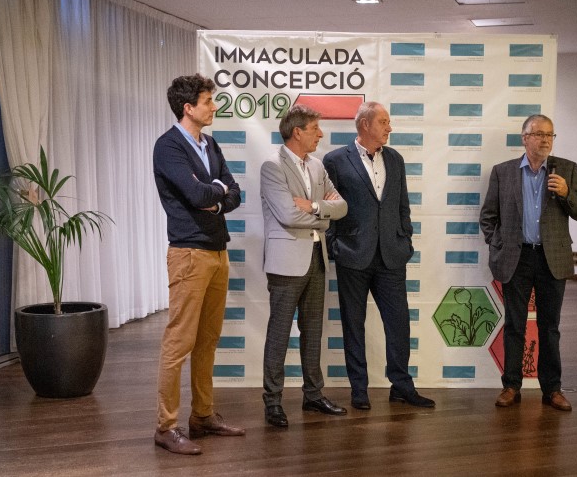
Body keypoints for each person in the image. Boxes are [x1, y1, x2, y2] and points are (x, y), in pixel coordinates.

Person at [152, 74, 245, 455]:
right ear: (188, 108)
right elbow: (195, 194)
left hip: (218, 251)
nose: (214, 106)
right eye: (208, 101)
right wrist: (216, 191)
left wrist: (216, 196)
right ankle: (166, 426)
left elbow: (234, 193)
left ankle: (202, 415)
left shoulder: (211, 143)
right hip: (189, 254)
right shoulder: (168, 146)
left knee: (208, 340)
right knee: (179, 342)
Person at [323, 101, 434, 410]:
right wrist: (335, 246)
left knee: (399, 324)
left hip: (391, 256)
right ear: (365, 125)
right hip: (352, 256)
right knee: (353, 325)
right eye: (383, 122)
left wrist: (405, 239)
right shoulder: (335, 160)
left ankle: (401, 386)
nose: (389, 127)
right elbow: (329, 208)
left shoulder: (395, 159)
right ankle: (359, 389)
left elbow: (402, 204)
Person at [479, 114, 577, 412]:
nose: (545, 140)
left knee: (549, 327)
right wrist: (498, 245)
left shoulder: (566, 170)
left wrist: (566, 193)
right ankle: (511, 386)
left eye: (550, 135)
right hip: (516, 258)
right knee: (515, 324)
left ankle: (552, 389)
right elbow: (488, 216)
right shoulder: (503, 172)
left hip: (552, 258)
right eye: (539, 134)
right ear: (524, 138)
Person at [260, 105, 348, 427]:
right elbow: (287, 215)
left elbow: (342, 206)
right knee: (279, 333)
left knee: (313, 331)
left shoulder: (317, 165)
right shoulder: (272, 166)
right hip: (285, 263)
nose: (320, 135)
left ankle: (313, 395)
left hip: (316, 258)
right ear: (297, 132)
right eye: (315, 129)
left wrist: (312, 206)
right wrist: (323, 218)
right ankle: (273, 401)